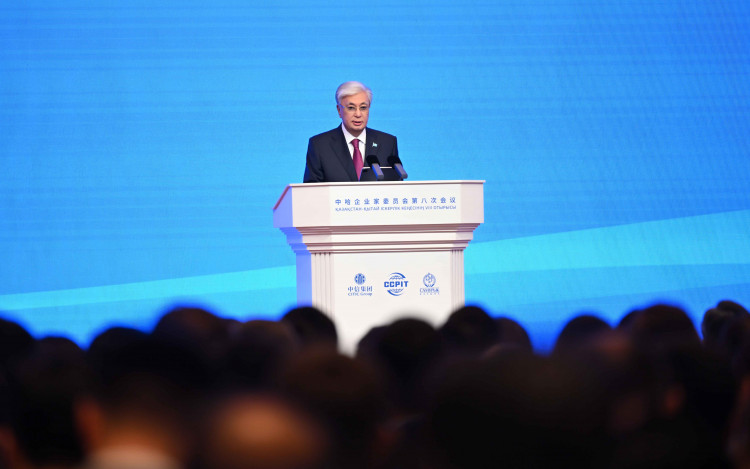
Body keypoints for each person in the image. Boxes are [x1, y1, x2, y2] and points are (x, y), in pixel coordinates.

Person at [303, 81, 399, 183]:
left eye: (363, 108)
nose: (358, 114)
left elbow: (396, 185)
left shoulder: (387, 143)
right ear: (339, 110)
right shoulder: (320, 145)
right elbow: (311, 189)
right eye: (351, 108)